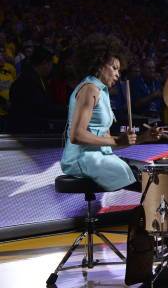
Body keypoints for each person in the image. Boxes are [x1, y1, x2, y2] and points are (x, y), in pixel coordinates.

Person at [60, 33, 161, 191]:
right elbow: (76, 135)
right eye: (114, 68)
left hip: (97, 156)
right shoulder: (89, 89)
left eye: (119, 70)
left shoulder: (103, 92)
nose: (118, 74)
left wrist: (142, 138)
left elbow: (106, 143)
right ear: (100, 65)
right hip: (81, 159)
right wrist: (117, 141)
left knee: (148, 172)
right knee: (148, 181)